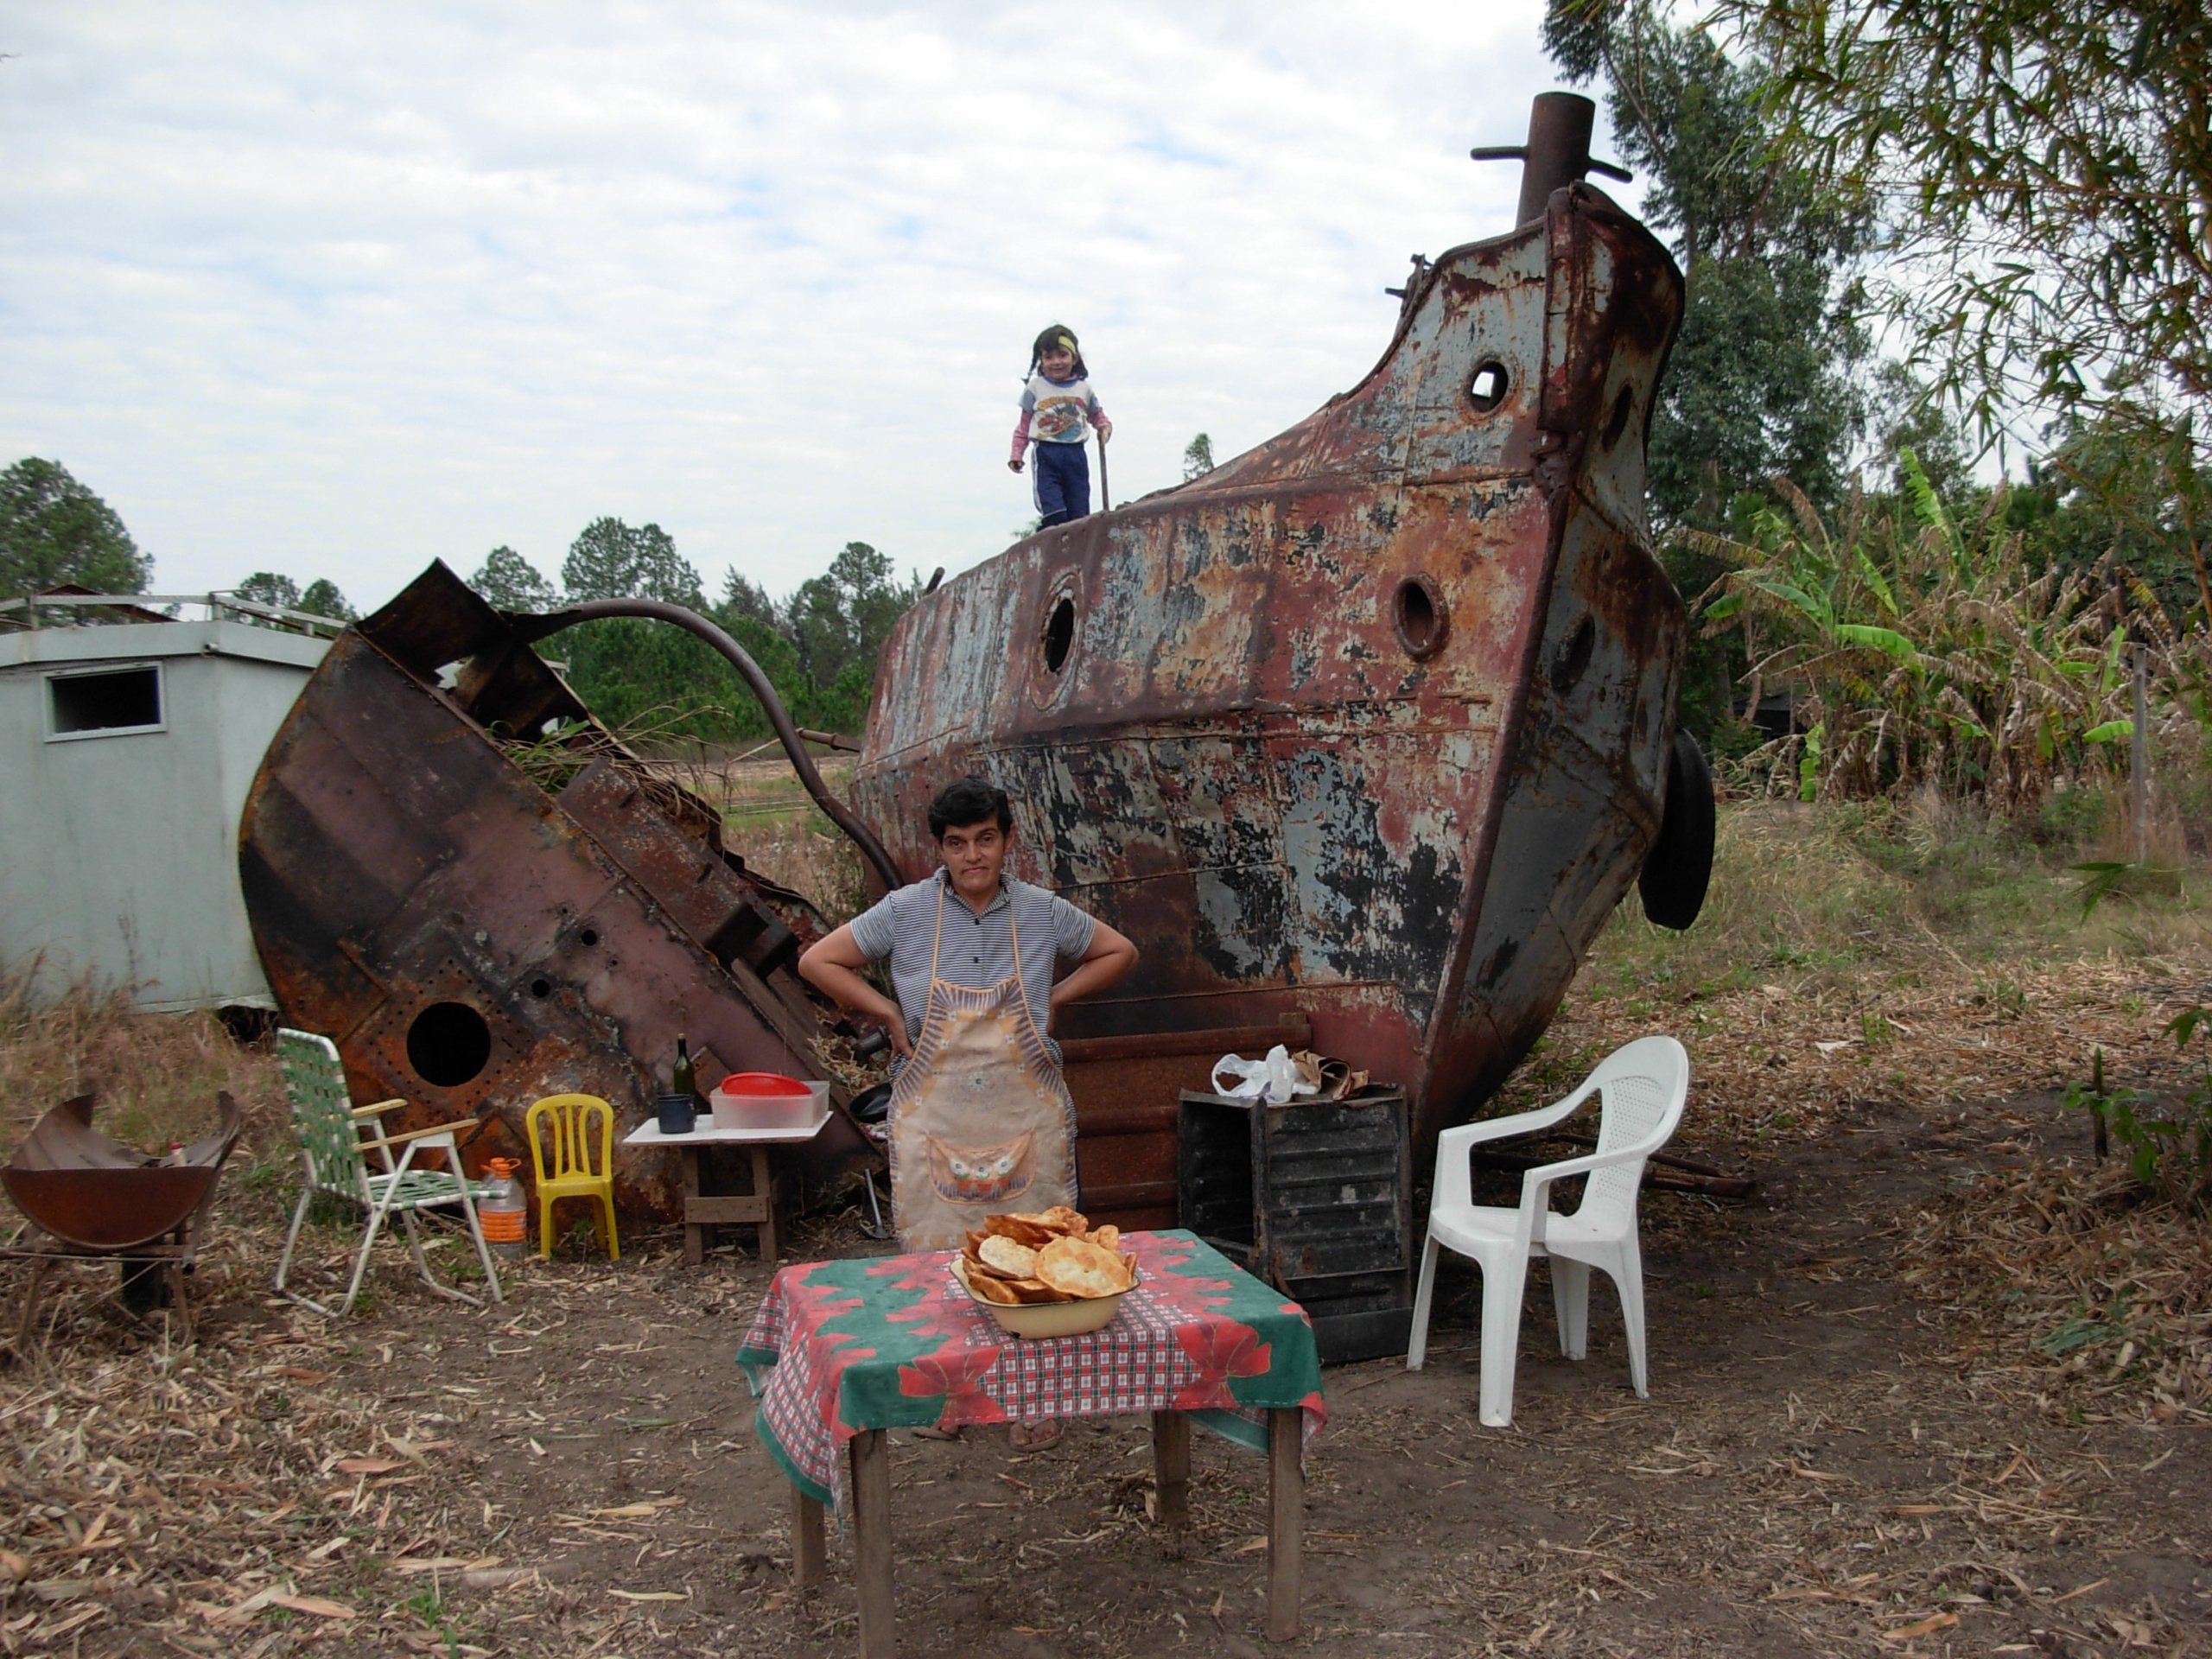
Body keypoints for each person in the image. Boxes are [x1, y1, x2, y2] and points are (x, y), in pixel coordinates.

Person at [798, 776, 1136, 1447]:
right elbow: (818, 960)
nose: (973, 855)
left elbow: (1119, 951)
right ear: (942, 850)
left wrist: (1054, 1003)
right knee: (939, 1265)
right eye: (958, 843)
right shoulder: (903, 912)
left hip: (1024, 1119)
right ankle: (948, 1400)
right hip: (937, 1120)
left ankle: (1034, 1401)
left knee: (1038, 1263)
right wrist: (887, 1011)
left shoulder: (1041, 911)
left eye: (986, 839)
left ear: (1008, 840)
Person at [1007, 324, 1111, 527]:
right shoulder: (1036, 387)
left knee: (1079, 516)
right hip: (1047, 454)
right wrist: (1016, 454)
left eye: (1062, 355)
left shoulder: (1084, 389)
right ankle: (1050, 541)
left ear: (1074, 358)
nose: (1056, 362)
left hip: (1076, 456)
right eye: (1049, 357)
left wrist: (1104, 428)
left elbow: (1097, 415)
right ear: (1041, 360)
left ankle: (1078, 552)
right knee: (1054, 512)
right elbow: (1023, 426)